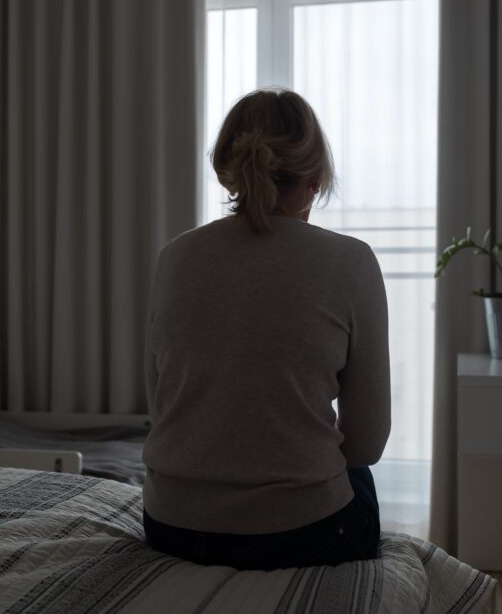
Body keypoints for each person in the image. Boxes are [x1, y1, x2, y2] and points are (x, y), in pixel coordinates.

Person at [141, 88, 391, 571]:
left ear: (228, 168)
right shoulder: (351, 261)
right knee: (353, 473)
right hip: (300, 534)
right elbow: (366, 444)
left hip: (170, 523)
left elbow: (162, 406)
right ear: (315, 179)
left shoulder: (175, 257)